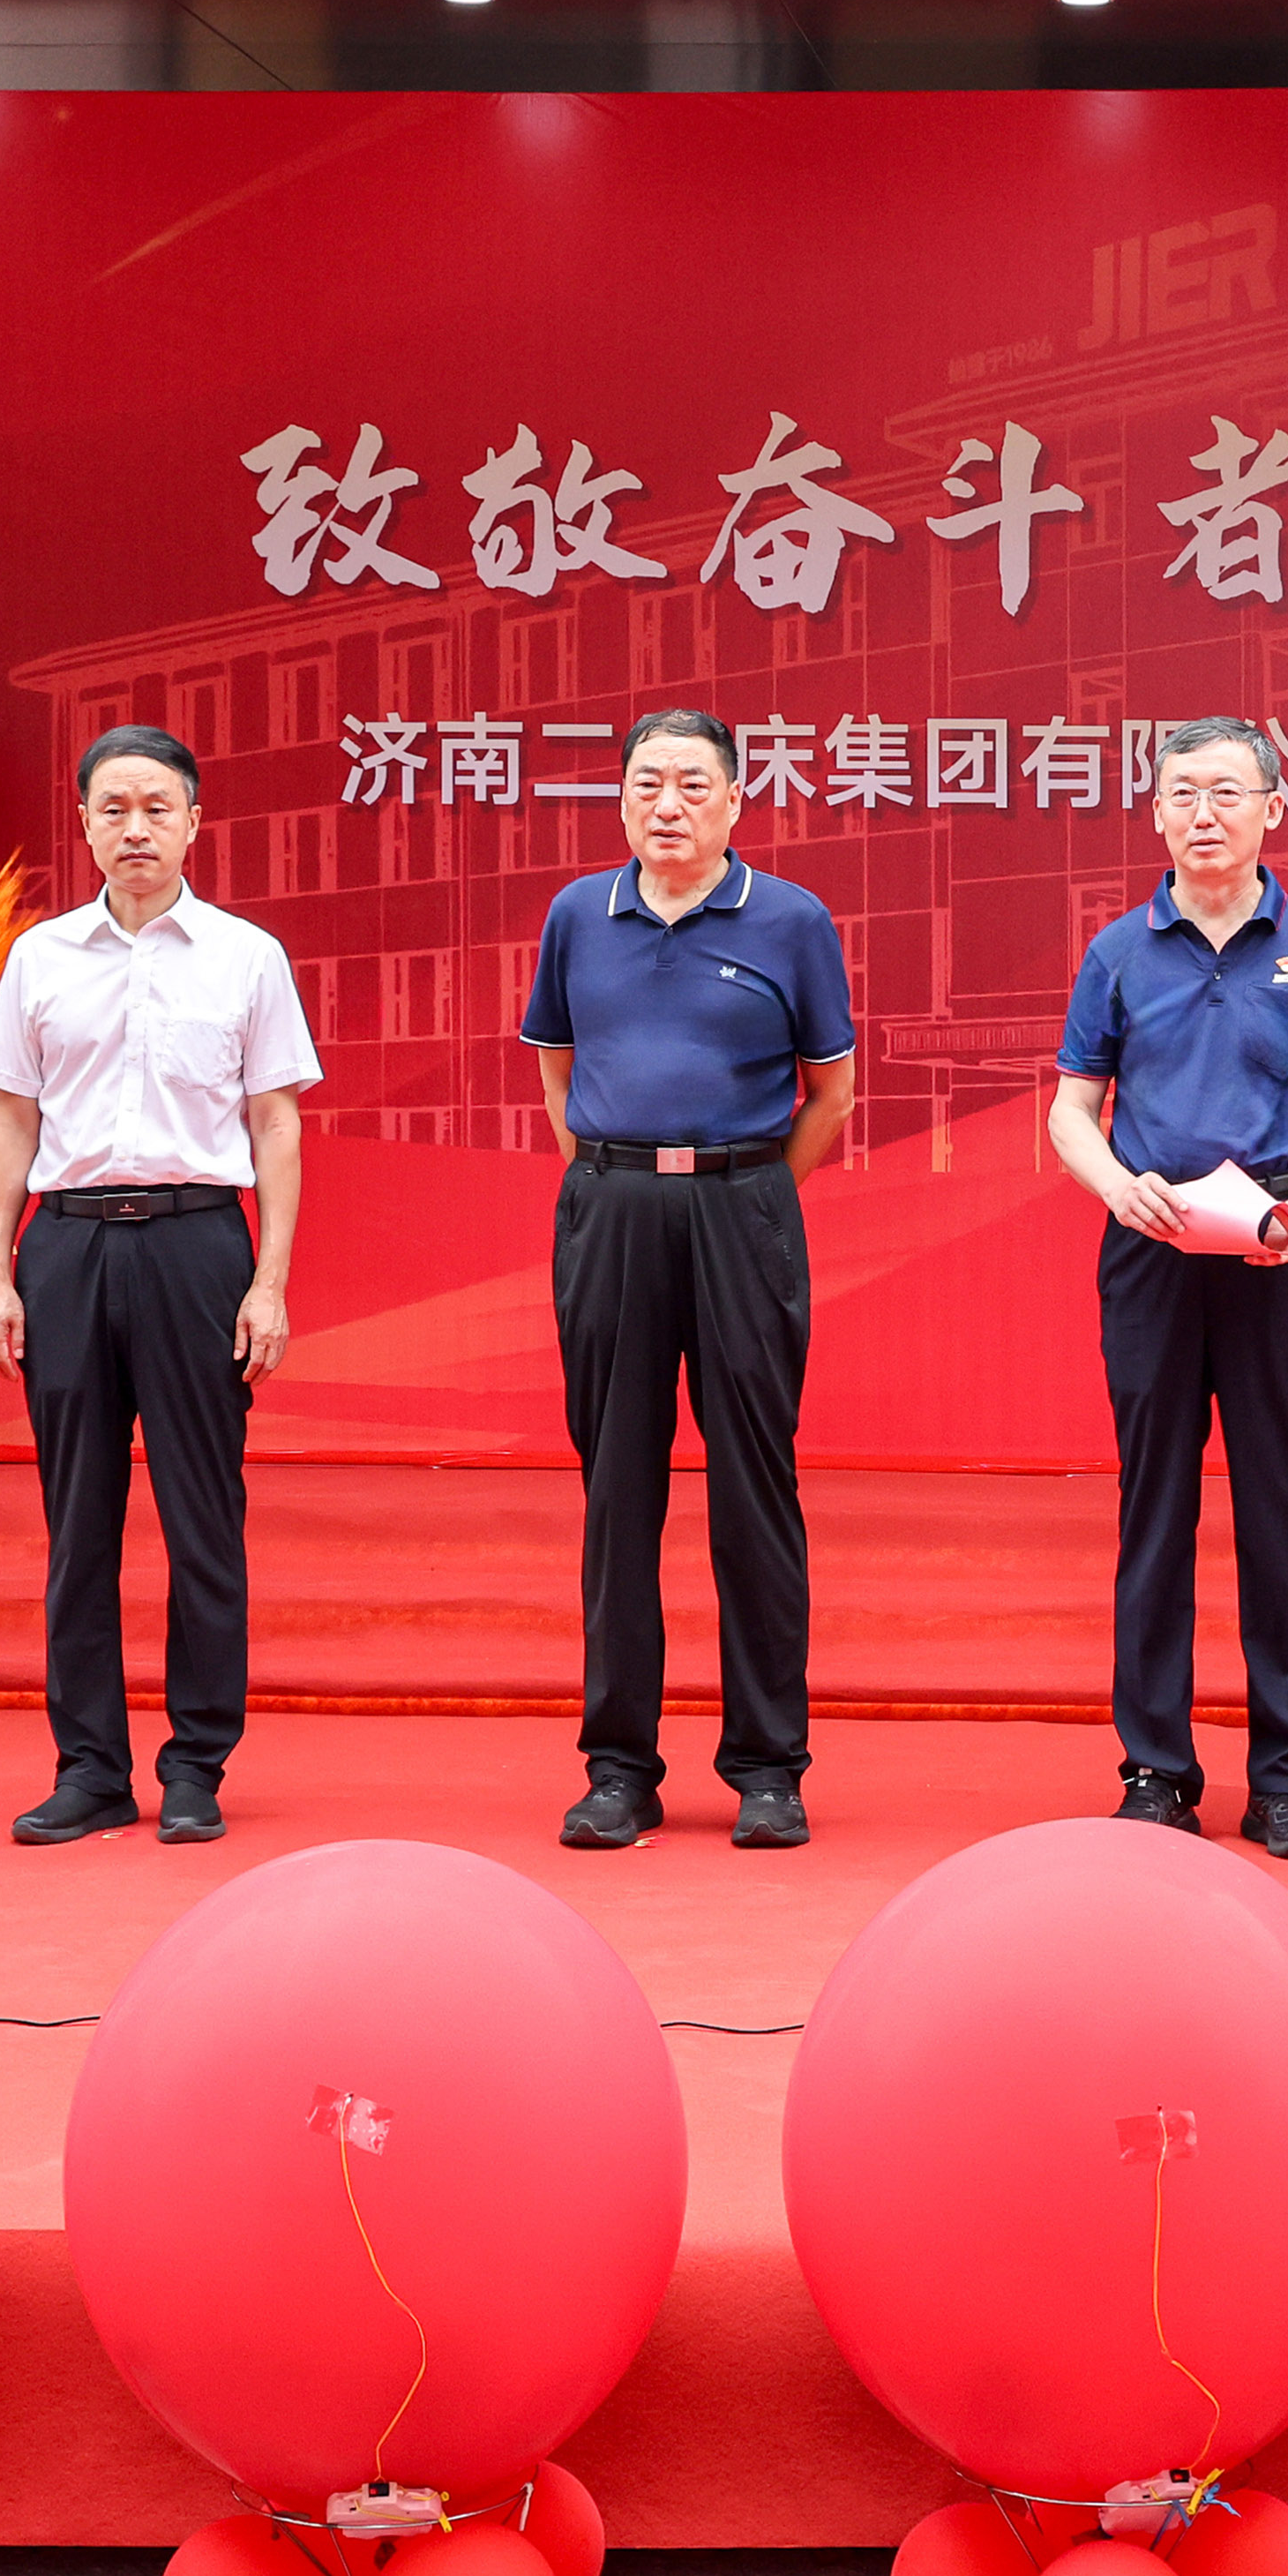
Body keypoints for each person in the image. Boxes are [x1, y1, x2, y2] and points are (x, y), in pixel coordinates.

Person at [0, 725, 315, 1848]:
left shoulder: (245, 957)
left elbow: (275, 1124)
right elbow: (10, 1120)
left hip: (197, 1245)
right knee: (78, 1522)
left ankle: (196, 1763)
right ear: (83, 823)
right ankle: (90, 1768)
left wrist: (268, 1281)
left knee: (203, 1515)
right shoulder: (40, 958)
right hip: (67, 1250)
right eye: (113, 809)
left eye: (157, 808)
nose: (135, 829)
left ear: (194, 823)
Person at [1044, 717, 1288, 1857]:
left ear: (1272, 808)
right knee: (1156, 1505)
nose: (1205, 812)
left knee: (1281, 1506)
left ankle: (1287, 1780)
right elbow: (1071, 1109)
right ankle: (1155, 1769)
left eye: (1227, 792)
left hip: (1278, 1241)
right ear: (1155, 813)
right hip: (1151, 1242)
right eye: (1183, 792)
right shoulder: (1118, 952)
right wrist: (1115, 1188)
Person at [524, 709, 856, 1852]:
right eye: (646, 783)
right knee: (618, 1490)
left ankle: (768, 1767)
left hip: (741, 1206)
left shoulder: (791, 920)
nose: (667, 804)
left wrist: (747, 1192)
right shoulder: (578, 915)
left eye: (692, 784)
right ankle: (619, 1768)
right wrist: (613, 1180)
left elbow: (831, 1091)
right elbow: (558, 1071)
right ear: (620, 798)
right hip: (611, 1207)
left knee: (754, 1488)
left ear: (734, 799)